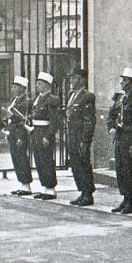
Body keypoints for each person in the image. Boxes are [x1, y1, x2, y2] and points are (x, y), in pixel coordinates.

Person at [107, 67, 132, 214]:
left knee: (129, 169)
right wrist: (111, 127)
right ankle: (124, 198)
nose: (122, 82)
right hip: (120, 136)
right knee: (120, 168)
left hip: (130, 137)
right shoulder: (119, 98)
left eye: (125, 79)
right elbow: (110, 115)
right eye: (122, 79)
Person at [0, 75, 34, 196]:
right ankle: (22, 184)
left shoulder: (26, 102)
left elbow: (24, 121)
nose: (13, 88)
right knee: (16, 158)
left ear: (21, 88)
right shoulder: (16, 100)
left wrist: (21, 137)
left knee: (22, 159)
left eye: (15, 86)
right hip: (13, 132)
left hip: (19, 133)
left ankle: (26, 185)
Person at [66, 67, 97, 206]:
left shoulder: (87, 96)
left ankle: (88, 193)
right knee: (75, 164)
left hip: (80, 135)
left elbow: (89, 120)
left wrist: (85, 140)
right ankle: (82, 191)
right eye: (71, 78)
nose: (71, 80)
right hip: (72, 135)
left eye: (74, 78)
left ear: (82, 80)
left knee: (83, 163)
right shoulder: (71, 95)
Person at [31, 72, 62, 200]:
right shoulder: (38, 98)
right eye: (37, 83)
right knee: (39, 160)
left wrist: (48, 136)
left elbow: (55, 120)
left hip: (44, 132)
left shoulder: (52, 99)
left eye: (40, 83)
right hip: (36, 131)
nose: (37, 85)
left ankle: (50, 188)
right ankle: (45, 187)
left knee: (46, 160)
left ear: (47, 85)